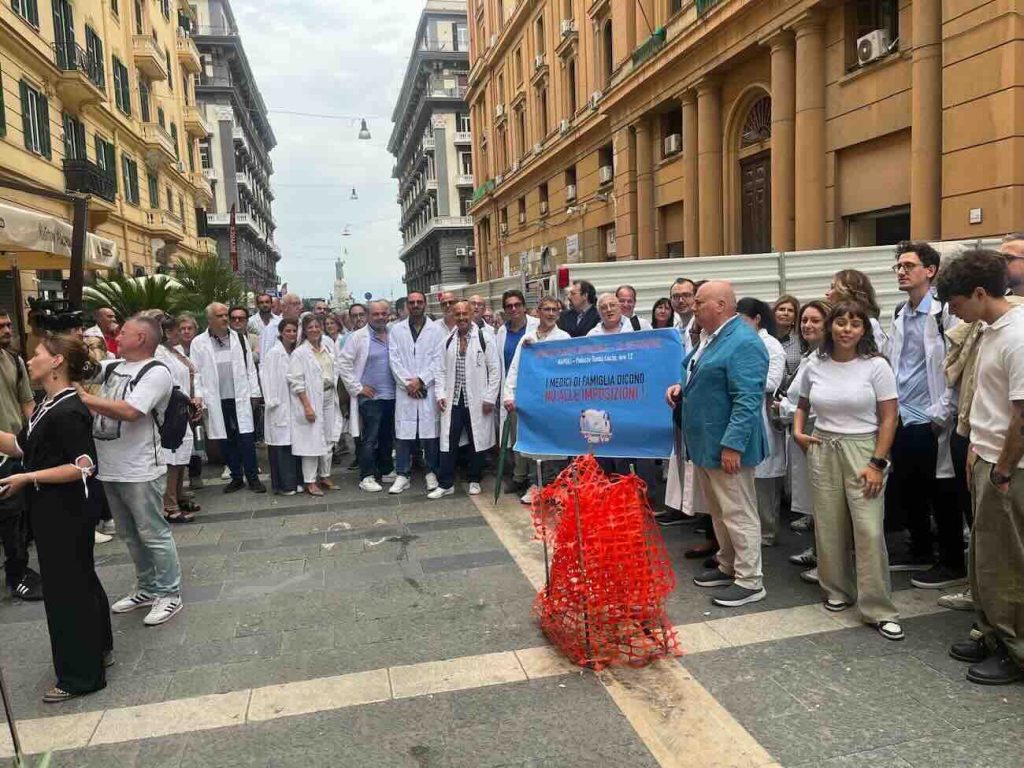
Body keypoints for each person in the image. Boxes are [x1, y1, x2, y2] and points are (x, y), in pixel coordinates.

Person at [0, 333, 112, 703]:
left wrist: (27, 477)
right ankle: (97, 649)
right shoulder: (50, 404)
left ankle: (81, 675)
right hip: (52, 511)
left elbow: (83, 466)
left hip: (65, 512)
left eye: (37, 355)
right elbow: (23, 446)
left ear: (57, 362)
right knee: (79, 580)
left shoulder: (68, 410)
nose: (29, 360)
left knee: (67, 591)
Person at [936, 248, 1024, 684]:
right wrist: (975, 448)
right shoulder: (990, 330)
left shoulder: (1018, 335)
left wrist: (1004, 469)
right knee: (984, 560)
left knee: (1006, 562)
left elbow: (1022, 415)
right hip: (987, 457)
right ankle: (992, 633)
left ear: (978, 292)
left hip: (1010, 469)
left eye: (956, 304)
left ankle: (1015, 649)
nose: (955, 314)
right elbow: (987, 401)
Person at [793, 301, 902, 641]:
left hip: (864, 449)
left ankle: (879, 608)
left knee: (868, 529)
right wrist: (798, 430)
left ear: (864, 330)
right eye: (840, 322)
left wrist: (877, 463)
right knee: (828, 523)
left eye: (855, 324)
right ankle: (837, 590)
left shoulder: (876, 366)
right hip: (823, 446)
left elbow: (889, 418)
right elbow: (802, 402)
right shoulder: (815, 364)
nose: (846, 330)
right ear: (830, 326)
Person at [667, 281, 769, 608]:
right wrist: (679, 388)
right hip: (707, 444)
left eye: (699, 302)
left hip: (727, 448)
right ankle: (728, 565)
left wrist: (733, 446)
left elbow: (747, 400)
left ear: (721, 305)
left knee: (738, 512)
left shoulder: (743, 342)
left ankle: (751, 581)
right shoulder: (713, 337)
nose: (692, 307)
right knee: (720, 512)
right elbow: (698, 373)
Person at [78, 315, 184, 626]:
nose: (117, 335)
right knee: (129, 534)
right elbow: (85, 369)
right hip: (110, 467)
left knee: (153, 532)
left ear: (140, 339)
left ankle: (170, 593)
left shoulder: (156, 372)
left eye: (123, 332)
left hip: (141, 468)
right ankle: (148, 587)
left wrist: (87, 399)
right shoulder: (113, 366)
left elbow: (132, 411)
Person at [884, 241, 963, 584]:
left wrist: (941, 412)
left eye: (909, 266)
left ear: (930, 271)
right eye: (898, 267)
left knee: (941, 490)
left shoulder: (945, 312)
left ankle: (951, 562)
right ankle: (919, 550)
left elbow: (955, 365)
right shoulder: (900, 312)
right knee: (909, 485)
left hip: (932, 416)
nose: (901, 272)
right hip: (903, 414)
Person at [774, 300, 831, 582]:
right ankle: (820, 551)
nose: (808, 325)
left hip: (819, 437)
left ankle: (830, 562)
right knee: (815, 502)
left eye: (815, 321)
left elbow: (810, 403)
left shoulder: (831, 359)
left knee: (826, 503)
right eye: (805, 321)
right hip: (802, 436)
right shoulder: (812, 356)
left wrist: (784, 409)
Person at [190, 303, 265, 494]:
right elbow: (196, 373)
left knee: (246, 438)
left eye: (226, 315)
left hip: (240, 396)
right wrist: (199, 397)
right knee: (226, 439)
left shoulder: (239, 339)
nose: (225, 319)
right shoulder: (199, 343)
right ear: (210, 320)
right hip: (216, 398)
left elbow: (250, 369)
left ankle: (253, 478)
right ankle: (236, 477)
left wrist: (254, 393)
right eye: (220, 315)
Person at [503, 296, 570, 504]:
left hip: (555, 401)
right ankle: (535, 485)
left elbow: (570, 372)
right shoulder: (527, 339)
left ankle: (558, 487)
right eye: (547, 309)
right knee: (533, 446)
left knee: (556, 445)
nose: (551, 314)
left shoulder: (564, 338)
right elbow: (515, 368)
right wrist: (509, 395)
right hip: (531, 401)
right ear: (538, 311)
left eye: (555, 310)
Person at [430, 301, 499, 499]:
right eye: (457, 314)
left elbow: (494, 370)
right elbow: (440, 370)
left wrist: (489, 397)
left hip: (477, 399)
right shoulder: (447, 341)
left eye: (464, 314)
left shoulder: (484, 338)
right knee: (448, 440)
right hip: (453, 399)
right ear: (452, 315)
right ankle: (446, 483)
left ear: (471, 314)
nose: (461, 318)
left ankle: (474, 479)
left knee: (475, 439)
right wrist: (440, 394)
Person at [737, 298, 787, 547]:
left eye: (743, 319)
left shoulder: (772, 345)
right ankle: (751, 532)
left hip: (763, 417)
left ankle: (767, 532)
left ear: (757, 319)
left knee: (765, 483)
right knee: (746, 481)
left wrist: (738, 380)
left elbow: (771, 382)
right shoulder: (739, 342)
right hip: (744, 416)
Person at [0, 310, 40, 599]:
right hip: (5, 446)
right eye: (0, 325)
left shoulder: (13, 359)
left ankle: (17, 574)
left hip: (14, 449)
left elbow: (27, 401)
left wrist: (34, 434)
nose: (7, 329)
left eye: (8, 324)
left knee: (15, 517)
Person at [389, 291, 444, 494]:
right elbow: (393, 360)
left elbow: (439, 360)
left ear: (425, 304)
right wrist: (408, 384)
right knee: (403, 435)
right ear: (407, 306)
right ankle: (402, 474)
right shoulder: (397, 330)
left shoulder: (436, 331)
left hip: (426, 388)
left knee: (430, 434)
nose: (415, 305)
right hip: (406, 392)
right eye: (411, 303)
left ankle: (431, 472)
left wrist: (421, 381)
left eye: (419, 302)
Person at [339, 300, 396, 492]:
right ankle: (367, 475)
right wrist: (357, 388)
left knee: (387, 436)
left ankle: (386, 470)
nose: (380, 317)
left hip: (391, 395)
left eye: (383, 314)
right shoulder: (357, 337)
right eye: (376, 314)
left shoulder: (392, 334)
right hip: (370, 397)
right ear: (369, 316)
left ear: (388, 314)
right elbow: (344, 364)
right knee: (370, 438)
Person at [154, 314, 201, 523]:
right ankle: (169, 505)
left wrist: (197, 398)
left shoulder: (177, 351)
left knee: (183, 454)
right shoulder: (158, 353)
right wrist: (188, 401)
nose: (179, 333)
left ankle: (179, 495)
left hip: (186, 408)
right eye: (174, 330)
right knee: (172, 457)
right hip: (172, 410)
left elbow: (194, 374)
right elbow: (168, 383)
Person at [288, 315, 340, 496]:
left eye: (317, 326)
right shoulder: (300, 353)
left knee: (328, 438)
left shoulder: (326, 349)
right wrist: (307, 406)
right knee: (311, 441)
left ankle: (325, 476)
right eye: (310, 327)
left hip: (328, 396)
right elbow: (296, 382)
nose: (314, 330)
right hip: (310, 400)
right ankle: (310, 481)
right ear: (304, 330)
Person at [497, 290, 539, 495]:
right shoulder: (502, 331)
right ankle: (518, 477)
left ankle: (533, 479)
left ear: (523, 306)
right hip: (512, 391)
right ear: (504, 310)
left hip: (532, 391)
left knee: (532, 437)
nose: (513, 309)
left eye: (517, 305)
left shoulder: (535, 326)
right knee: (516, 438)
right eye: (509, 306)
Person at [261, 318, 302, 495]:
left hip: (293, 405)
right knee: (281, 446)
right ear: (281, 333)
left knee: (294, 445)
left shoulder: (296, 351)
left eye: (294, 331)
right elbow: (266, 378)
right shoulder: (274, 353)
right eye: (288, 331)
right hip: (278, 405)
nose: (292, 334)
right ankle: (284, 485)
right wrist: (272, 401)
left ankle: (295, 481)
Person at [827, 269, 887, 349]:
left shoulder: (870, 324)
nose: (827, 293)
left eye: (833, 287)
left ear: (846, 292)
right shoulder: (831, 321)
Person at [259, 293, 302, 361]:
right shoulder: (272, 327)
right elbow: (264, 356)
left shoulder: (303, 325)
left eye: (299, 304)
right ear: (284, 307)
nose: (299, 307)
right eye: (294, 304)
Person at [773, 295, 802, 388]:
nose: (785, 313)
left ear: (795, 316)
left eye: (790, 310)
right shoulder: (765, 339)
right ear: (774, 313)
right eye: (781, 309)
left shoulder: (802, 340)